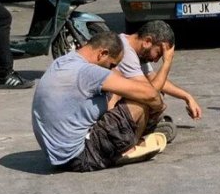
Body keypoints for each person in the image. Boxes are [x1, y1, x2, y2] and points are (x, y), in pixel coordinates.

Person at [32, 31, 173, 172]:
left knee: (118, 88)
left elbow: (116, 76)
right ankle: (128, 147)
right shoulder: (89, 72)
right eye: (111, 65)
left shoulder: (64, 61)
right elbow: (151, 95)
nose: (112, 69)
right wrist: (157, 110)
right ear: (102, 54)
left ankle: (126, 135)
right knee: (140, 103)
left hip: (57, 154)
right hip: (81, 157)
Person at [113, 21, 202, 141]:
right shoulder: (125, 51)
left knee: (157, 94)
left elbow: (155, 79)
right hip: (105, 108)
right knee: (149, 99)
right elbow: (149, 94)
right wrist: (167, 63)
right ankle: (128, 141)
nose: (155, 61)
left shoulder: (137, 51)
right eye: (158, 54)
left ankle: (140, 128)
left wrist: (187, 97)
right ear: (147, 42)